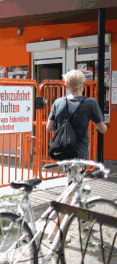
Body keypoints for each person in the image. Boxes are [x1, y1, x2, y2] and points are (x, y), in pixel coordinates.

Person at [45, 69, 107, 242]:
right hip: (79, 155)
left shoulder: (58, 102)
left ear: (66, 85)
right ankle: (55, 232)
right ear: (83, 85)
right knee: (71, 190)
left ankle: (84, 224)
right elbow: (102, 128)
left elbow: (49, 128)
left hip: (63, 154)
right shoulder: (90, 103)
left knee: (76, 186)